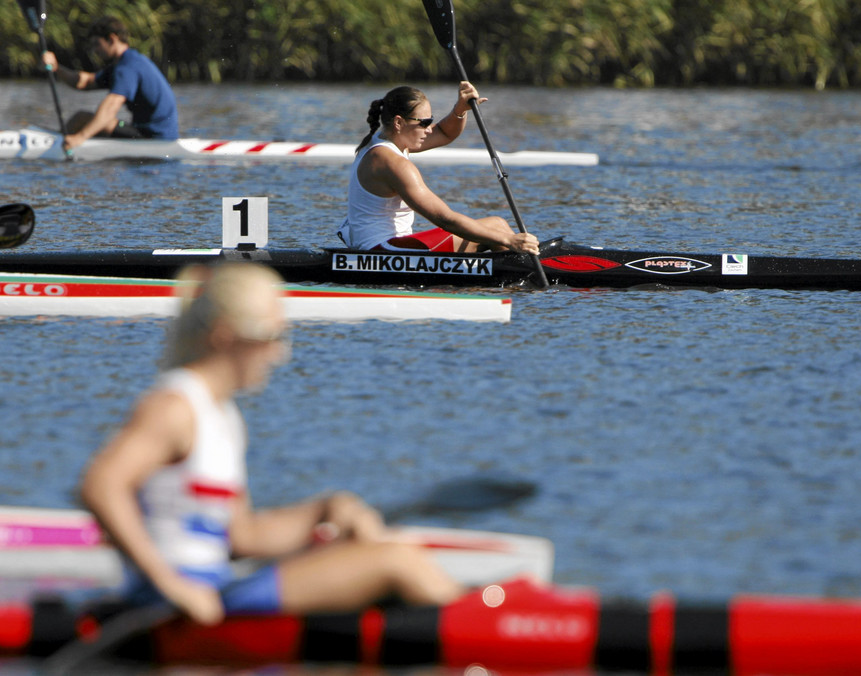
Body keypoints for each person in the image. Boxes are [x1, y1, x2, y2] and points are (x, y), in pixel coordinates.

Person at [80, 263, 463, 625]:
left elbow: (242, 536)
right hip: (173, 600)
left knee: (385, 549)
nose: (281, 354)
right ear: (226, 336)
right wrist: (169, 583)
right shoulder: (174, 407)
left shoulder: (223, 417)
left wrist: (322, 512)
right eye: (271, 336)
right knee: (397, 561)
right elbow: (102, 484)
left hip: (216, 587)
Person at [337, 83, 540, 255]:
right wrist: (509, 240)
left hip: (386, 247)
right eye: (424, 122)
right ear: (399, 122)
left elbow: (444, 133)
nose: (429, 129)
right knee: (498, 228)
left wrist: (459, 110)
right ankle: (518, 280)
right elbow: (445, 219)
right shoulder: (391, 162)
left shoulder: (387, 141)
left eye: (430, 121)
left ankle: (502, 271)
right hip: (383, 252)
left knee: (496, 225)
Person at [42, 16, 179, 148]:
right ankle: (61, 141)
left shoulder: (127, 68)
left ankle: (58, 145)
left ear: (112, 39)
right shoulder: (125, 63)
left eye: (97, 44)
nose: (95, 50)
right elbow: (85, 82)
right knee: (89, 121)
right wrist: (57, 68)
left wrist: (80, 137)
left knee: (82, 118)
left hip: (154, 137)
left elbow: (110, 107)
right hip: (147, 132)